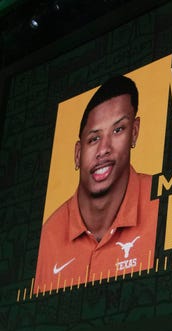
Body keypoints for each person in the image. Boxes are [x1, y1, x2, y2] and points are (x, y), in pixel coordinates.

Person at [35, 75, 159, 293]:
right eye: (94, 139)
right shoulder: (48, 236)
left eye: (118, 130)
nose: (104, 150)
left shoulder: (162, 204)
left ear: (135, 132)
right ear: (77, 153)